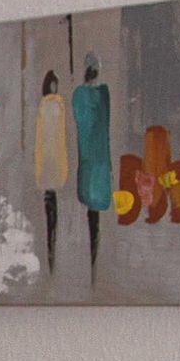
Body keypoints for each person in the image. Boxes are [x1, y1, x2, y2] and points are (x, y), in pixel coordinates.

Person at [72, 52, 113, 277]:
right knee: (94, 213)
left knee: (92, 211)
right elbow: (103, 126)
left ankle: (93, 259)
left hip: (89, 161)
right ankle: (94, 259)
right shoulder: (102, 95)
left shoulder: (80, 95)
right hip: (98, 161)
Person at [34, 69, 69, 275]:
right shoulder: (57, 105)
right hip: (52, 163)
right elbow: (57, 139)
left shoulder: (46, 106)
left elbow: (48, 139)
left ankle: (51, 248)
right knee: (51, 205)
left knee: (50, 205)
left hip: (49, 164)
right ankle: (51, 247)